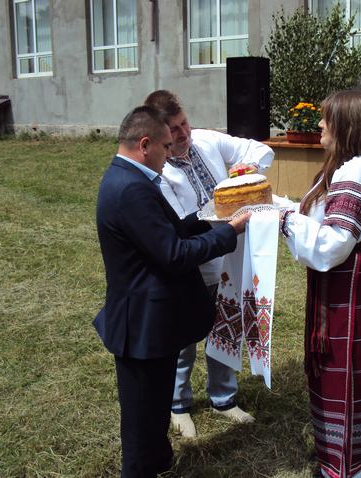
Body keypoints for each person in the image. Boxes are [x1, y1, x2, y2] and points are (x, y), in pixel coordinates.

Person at [94, 105, 250, 477]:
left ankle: (159, 460)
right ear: (145, 145)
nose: (170, 154)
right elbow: (173, 254)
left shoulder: (130, 178)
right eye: (166, 147)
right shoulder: (131, 188)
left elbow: (168, 230)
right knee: (142, 416)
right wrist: (229, 232)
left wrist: (211, 217)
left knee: (153, 407)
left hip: (152, 321)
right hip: (141, 325)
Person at [143, 90, 274, 437]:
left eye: (184, 123)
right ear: (159, 132)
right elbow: (180, 224)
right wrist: (223, 217)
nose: (183, 133)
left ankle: (223, 398)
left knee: (225, 327)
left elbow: (258, 150)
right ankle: (178, 404)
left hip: (228, 258)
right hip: (193, 264)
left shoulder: (206, 140)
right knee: (183, 339)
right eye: (173, 129)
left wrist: (246, 173)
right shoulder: (159, 172)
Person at [279, 91, 361, 478]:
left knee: (347, 364)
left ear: (347, 126)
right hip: (347, 276)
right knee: (343, 364)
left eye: (327, 119)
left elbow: (332, 243)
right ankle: (342, 454)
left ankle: (345, 466)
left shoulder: (357, 173)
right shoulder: (351, 166)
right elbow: (323, 219)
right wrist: (277, 206)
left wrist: (283, 221)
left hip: (347, 280)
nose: (320, 124)